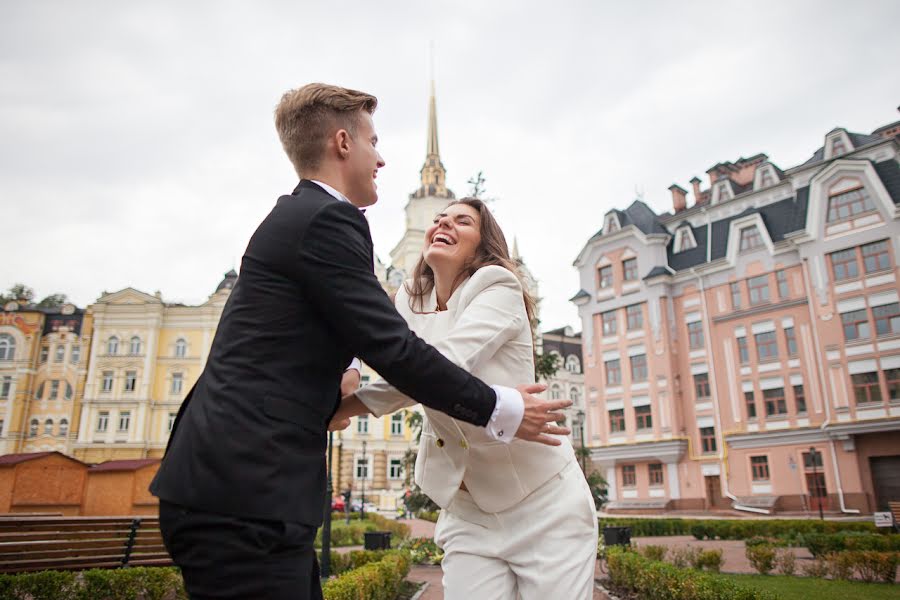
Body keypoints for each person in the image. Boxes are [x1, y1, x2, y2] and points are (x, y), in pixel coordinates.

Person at [149, 83, 571, 600]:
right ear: (343, 143)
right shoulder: (329, 220)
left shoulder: (303, 218)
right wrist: (499, 406)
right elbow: (396, 351)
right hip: (246, 489)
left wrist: (343, 382)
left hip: (246, 486)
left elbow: (340, 336)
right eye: (374, 141)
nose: (382, 158)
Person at [333, 198, 598, 599]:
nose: (444, 224)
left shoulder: (498, 286)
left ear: (482, 244)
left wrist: (344, 408)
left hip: (543, 504)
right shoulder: (409, 299)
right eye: (439, 218)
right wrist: (350, 367)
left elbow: (441, 367)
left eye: (462, 221)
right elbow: (369, 334)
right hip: (467, 508)